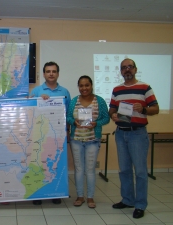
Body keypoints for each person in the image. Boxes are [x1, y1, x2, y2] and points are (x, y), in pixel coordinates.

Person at [109, 58, 159, 219]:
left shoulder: (145, 88)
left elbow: (155, 109)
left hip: (138, 134)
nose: (127, 70)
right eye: (124, 68)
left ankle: (140, 204)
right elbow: (112, 109)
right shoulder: (116, 89)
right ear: (121, 71)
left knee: (140, 172)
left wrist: (144, 109)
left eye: (130, 67)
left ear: (135, 69)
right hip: (121, 133)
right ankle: (128, 199)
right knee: (124, 170)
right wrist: (114, 115)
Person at [30, 61, 71, 205]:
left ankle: (56, 192)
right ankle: (38, 194)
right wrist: (39, 101)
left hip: (58, 136)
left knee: (57, 163)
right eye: (48, 71)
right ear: (44, 74)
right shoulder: (36, 91)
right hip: (40, 135)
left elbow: (69, 113)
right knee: (39, 163)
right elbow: (29, 111)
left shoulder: (65, 92)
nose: (51, 74)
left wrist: (68, 132)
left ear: (58, 74)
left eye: (54, 71)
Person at [66, 75, 109, 208]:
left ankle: (90, 197)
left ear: (91, 86)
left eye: (87, 85)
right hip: (76, 140)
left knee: (90, 170)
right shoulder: (74, 100)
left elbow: (106, 118)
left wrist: (96, 123)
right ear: (78, 87)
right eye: (81, 86)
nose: (84, 88)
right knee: (79, 169)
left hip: (92, 140)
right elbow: (68, 117)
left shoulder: (99, 101)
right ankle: (80, 196)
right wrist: (74, 121)